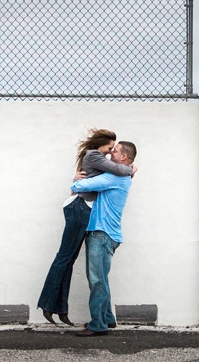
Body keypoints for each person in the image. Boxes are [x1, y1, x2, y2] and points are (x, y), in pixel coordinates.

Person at [36, 129, 132, 325]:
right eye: (109, 147)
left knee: (68, 259)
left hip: (83, 210)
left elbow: (113, 175)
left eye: (114, 150)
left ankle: (60, 309)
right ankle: (48, 304)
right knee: (64, 257)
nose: (110, 152)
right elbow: (120, 171)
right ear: (101, 144)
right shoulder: (94, 154)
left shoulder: (100, 160)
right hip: (80, 208)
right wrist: (132, 168)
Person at [68, 140, 136, 337]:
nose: (110, 155)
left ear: (123, 157)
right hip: (107, 234)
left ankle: (98, 324)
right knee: (101, 279)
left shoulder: (114, 177)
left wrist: (75, 179)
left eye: (114, 151)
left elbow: (81, 185)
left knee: (96, 280)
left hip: (102, 234)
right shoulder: (122, 176)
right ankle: (107, 318)